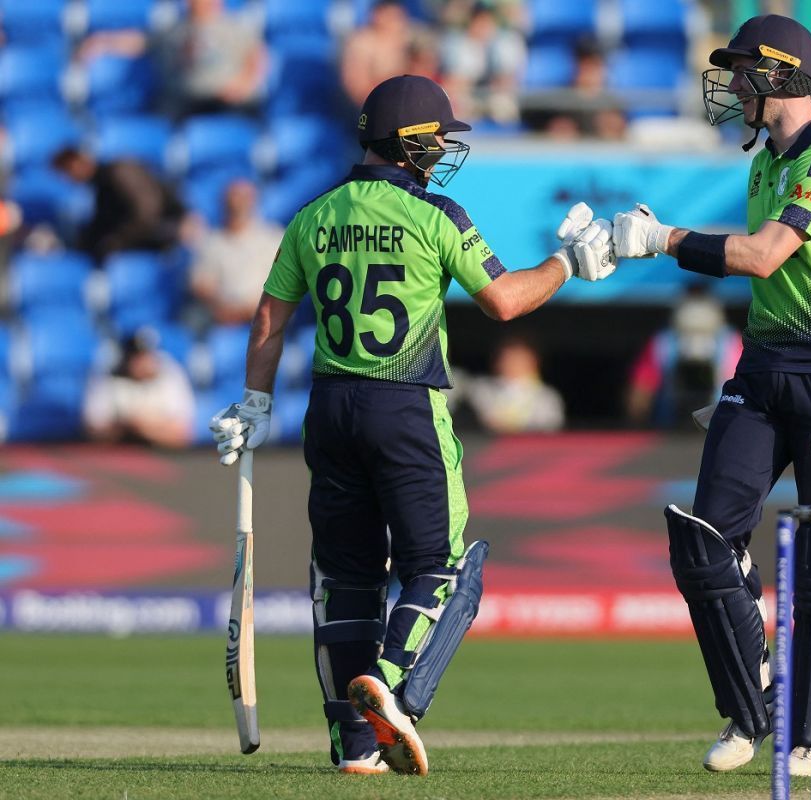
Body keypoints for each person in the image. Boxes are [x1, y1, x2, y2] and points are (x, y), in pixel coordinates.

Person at [208, 75, 615, 777]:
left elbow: (271, 316)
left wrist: (254, 401)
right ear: (412, 145)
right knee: (441, 566)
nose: (444, 152)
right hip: (405, 406)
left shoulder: (314, 214)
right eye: (438, 139)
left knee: (346, 578)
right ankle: (390, 689)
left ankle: (354, 748)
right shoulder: (437, 216)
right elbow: (505, 303)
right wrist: (568, 262)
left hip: (330, 408)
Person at [613, 14, 811, 781]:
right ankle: (751, 706)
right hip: (763, 375)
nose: (731, 87)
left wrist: (662, 239)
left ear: (778, 74)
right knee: (702, 538)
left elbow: (765, 257)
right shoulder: (766, 160)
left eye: (741, 72)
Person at [626, 284, 741, 428]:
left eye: (700, 302)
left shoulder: (731, 342)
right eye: (691, 301)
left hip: (719, 424)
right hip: (672, 429)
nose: (696, 312)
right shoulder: (663, 342)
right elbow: (639, 395)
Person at [52, 147, 187, 263]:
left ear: (78, 162)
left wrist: (118, 242)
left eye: (67, 171)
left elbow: (148, 213)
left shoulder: (120, 172)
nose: (68, 179)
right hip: (146, 237)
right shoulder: (101, 189)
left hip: (169, 232)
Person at [190, 179, 285, 326]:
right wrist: (226, 310)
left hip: (266, 318)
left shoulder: (273, 238)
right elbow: (202, 286)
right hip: (222, 322)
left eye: (244, 197)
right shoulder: (211, 242)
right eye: (235, 197)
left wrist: (255, 308)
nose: (239, 203)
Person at [83, 328, 195, 448]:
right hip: (116, 454)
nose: (141, 363)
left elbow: (183, 433)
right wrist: (126, 427)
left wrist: (144, 429)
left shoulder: (171, 373)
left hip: (164, 455)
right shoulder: (108, 375)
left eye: (145, 356)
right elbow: (92, 430)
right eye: (136, 356)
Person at [460, 334, 565, 434]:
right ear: (497, 361)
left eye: (520, 359)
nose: (513, 364)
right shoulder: (479, 388)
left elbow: (550, 429)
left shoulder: (547, 396)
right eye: (508, 358)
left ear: (534, 362)